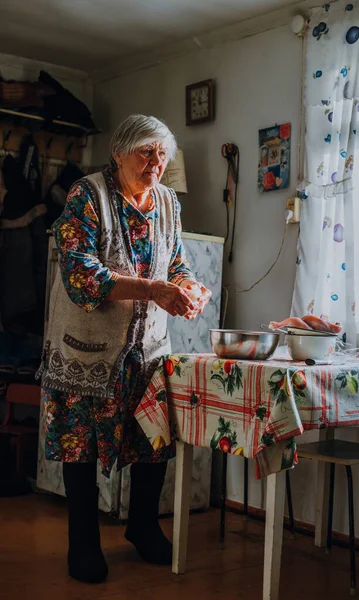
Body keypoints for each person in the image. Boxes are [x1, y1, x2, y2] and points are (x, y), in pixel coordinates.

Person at [37, 115, 211, 583]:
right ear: (119, 153)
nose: (155, 163)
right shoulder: (86, 196)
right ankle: (83, 543)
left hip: (147, 350)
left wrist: (190, 288)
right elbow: (80, 275)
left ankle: (142, 526)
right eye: (145, 152)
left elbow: (177, 263)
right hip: (86, 350)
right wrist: (152, 289)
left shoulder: (168, 203)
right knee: (82, 447)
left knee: (153, 440)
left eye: (161, 154)